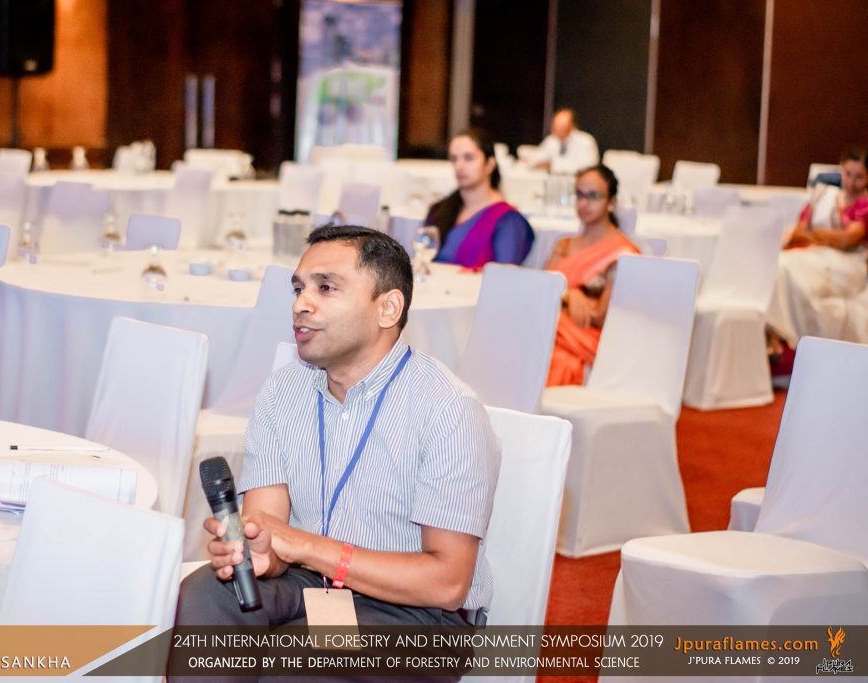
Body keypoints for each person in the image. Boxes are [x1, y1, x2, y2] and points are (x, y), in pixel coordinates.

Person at [171, 225, 500, 682]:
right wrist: (263, 552)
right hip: (310, 584)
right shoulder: (282, 391)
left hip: (416, 616)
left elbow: (447, 583)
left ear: (388, 308)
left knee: (293, 664)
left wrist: (304, 545)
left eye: (326, 288)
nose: (301, 304)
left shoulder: (447, 409)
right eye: (299, 289)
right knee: (206, 594)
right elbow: (269, 530)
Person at [767, 146, 868, 353]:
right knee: (777, 265)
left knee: (789, 270)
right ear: (841, 169)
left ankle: (789, 339)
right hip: (812, 254)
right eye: (848, 174)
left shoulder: (864, 206)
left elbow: (847, 240)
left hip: (847, 263)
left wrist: (814, 234)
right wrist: (827, 237)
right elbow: (799, 231)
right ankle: (775, 336)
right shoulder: (823, 196)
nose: (851, 182)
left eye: (859, 177)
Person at [545, 165, 639, 386]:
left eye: (594, 196)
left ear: (611, 202)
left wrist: (567, 298)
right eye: (579, 195)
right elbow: (541, 289)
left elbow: (601, 316)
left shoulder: (623, 253)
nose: (584, 203)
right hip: (553, 326)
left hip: (585, 337)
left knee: (551, 357)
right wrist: (569, 295)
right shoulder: (564, 244)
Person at [425, 128, 534, 268]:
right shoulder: (440, 210)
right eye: (454, 159)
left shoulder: (507, 220)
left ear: (489, 164)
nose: (459, 166)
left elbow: (505, 277)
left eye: (469, 158)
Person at [530, 108, 599, 175]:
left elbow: (589, 167)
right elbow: (537, 159)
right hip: (553, 179)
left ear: (572, 126)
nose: (557, 129)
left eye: (562, 126)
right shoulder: (551, 140)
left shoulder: (585, 141)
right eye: (555, 125)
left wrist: (553, 165)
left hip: (576, 180)